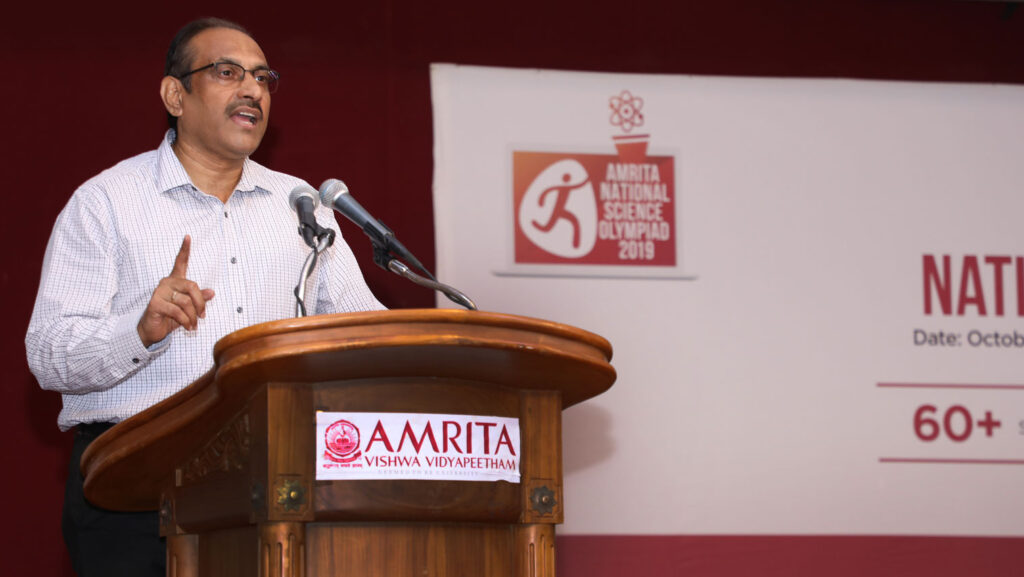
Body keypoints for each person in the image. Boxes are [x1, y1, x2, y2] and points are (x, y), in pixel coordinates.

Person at [25, 17, 384, 576]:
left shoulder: (302, 208)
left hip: (276, 487)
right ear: (175, 94)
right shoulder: (106, 203)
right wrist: (140, 330)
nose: (252, 90)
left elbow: (368, 335)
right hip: (137, 494)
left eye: (264, 78)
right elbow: (49, 355)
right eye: (227, 72)